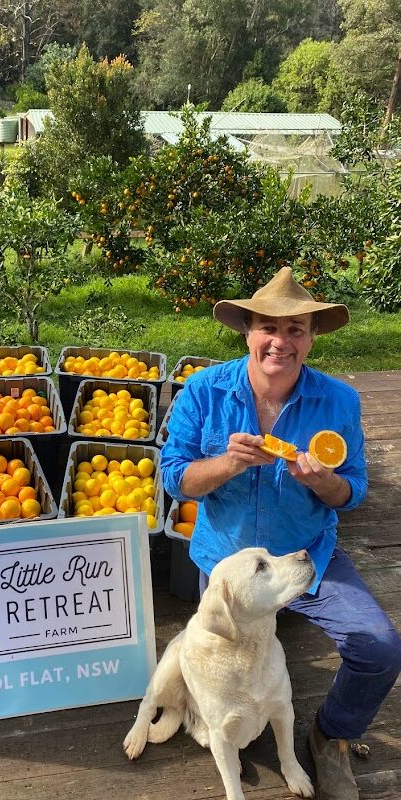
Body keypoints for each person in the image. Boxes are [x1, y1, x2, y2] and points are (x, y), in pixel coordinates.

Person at [160, 267, 401, 800]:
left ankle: (331, 735)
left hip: (306, 556)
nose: (281, 342)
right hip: (230, 562)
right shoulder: (204, 391)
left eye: (296, 330)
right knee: (223, 669)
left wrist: (327, 482)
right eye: (269, 327)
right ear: (247, 331)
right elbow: (174, 477)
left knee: (380, 648)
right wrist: (225, 464)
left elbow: (354, 490)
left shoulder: (339, 402)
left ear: (312, 338)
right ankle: (228, 732)